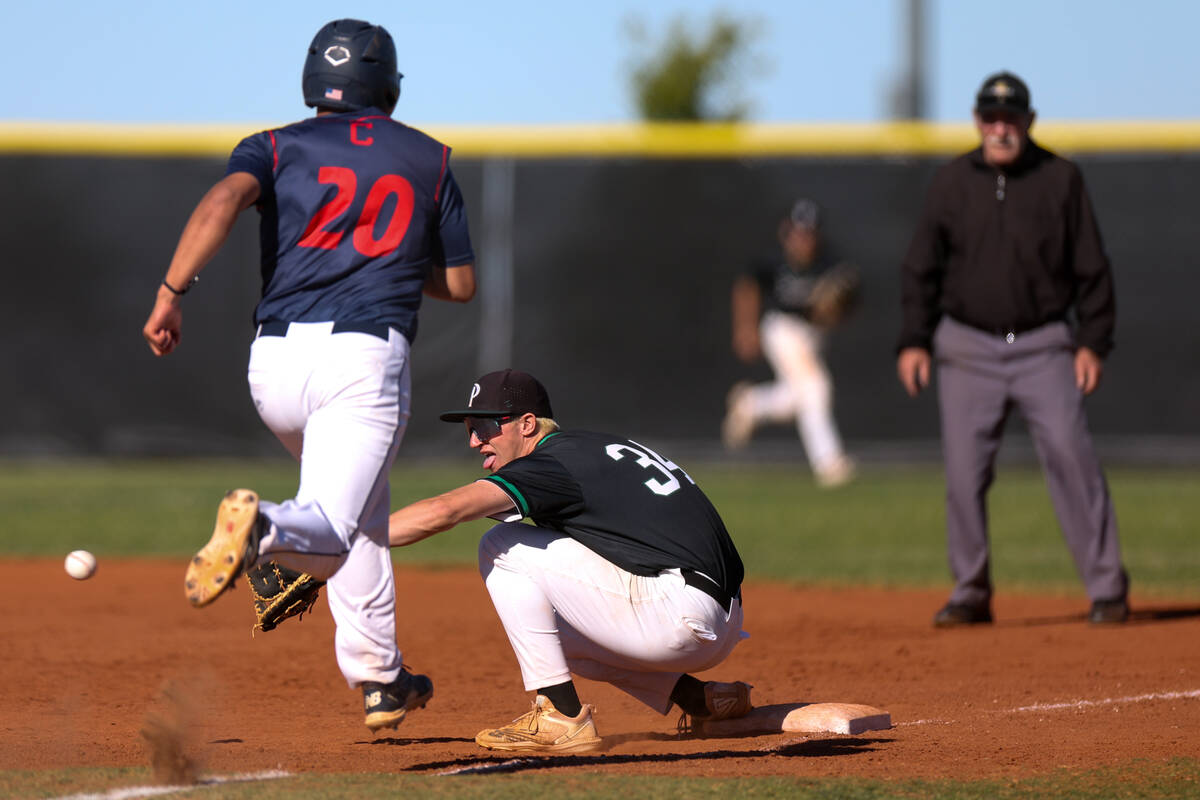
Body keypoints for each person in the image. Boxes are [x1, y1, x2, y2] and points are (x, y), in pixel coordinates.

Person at [140, 19, 476, 730]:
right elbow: (461, 283)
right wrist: (388, 264)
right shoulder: (430, 158)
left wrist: (171, 293)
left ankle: (382, 678)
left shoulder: (271, 146)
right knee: (328, 525)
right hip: (361, 362)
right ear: (387, 83)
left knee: (364, 517)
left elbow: (221, 203)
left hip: (275, 364)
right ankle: (262, 528)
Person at [386, 369, 753, 754]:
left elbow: (444, 511)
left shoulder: (551, 465)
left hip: (679, 612)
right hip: (716, 611)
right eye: (469, 428)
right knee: (551, 628)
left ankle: (561, 718)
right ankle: (700, 700)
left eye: (485, 425)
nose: (476, 440)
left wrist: (348, 546)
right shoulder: (586, 448)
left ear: (527, 424)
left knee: (501, 544)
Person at [896, 71, 1129, 627]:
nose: (1001, 128)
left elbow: (1092, 268)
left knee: (1073, 458)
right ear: (978, 121)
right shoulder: (952, 182)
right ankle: (971, 590)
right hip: (966, 345)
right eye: (991, 118)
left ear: (1029, 121)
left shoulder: (1060, 178)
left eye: (1011, 118)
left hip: (1044, 343)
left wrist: (1092, 342)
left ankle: (1107, 587)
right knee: (964, 472)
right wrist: (914, 340)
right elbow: (920, 268)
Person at [722, 199, 857, 488]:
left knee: (796, 398)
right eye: (798, 233)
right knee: (816, 388)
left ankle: (751, 404)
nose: (803, 240)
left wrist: (834, 311)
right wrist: (745, 328)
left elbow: (844, 306)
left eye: (809, 233)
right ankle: (829, 462)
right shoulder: (773, 260)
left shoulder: (830, 262)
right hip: (782, 329)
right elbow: (747, 286)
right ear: (786, 231)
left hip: (814, 335)